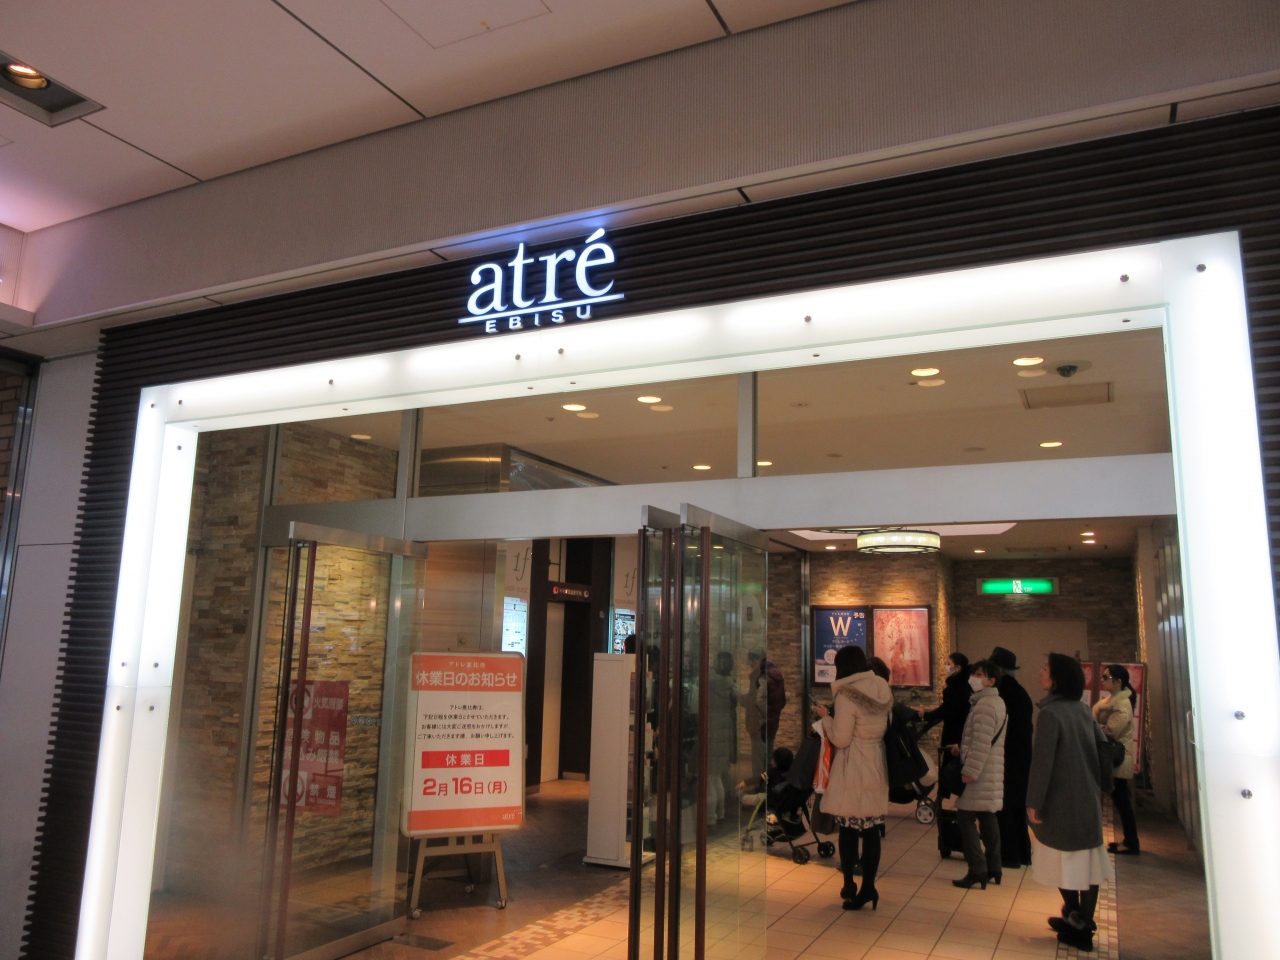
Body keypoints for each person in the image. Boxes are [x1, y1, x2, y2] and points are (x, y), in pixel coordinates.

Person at [1027, 654, 1114, 953]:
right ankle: (1080, 922)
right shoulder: (1082, 710)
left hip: (1061, 800)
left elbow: (1042, 764)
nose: (1040, 672)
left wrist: (1033, 801)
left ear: (1057, 679)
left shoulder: (1050, 714)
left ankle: (1079, 926)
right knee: (1087, 862)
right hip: (1086, 796)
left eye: (1045, 668)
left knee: (1062, 859)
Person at [814, 645, 892, 912]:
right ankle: (868, 887)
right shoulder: (881, 686)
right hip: (877, 761)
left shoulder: (847, 695)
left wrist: (826, 719)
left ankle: (849, 884)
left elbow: (841, 738)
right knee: (871, 830)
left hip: (854, 766)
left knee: (848, 828)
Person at [950, 660, 1008, 889]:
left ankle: (977, 869)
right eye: (974, 673)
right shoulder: (996, 702)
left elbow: (982, 743)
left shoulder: (984, 706)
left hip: (980, 771)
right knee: (987, 815)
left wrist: (970, 770)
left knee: (965, 816)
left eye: (980, 675)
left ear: (991, 681)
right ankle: (994, 867)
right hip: (991, 769)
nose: (974, 678)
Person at [989, 646, 1034, 868]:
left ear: (999, 670)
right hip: (1022, 757)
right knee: (1017, 807)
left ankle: (1009, 855)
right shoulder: (1021, 692)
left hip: (1006, 756)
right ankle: (1024, 853)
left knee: (1003, 806)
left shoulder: (1000, 694)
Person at [1094, 664, 1140, 855]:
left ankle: (1132, 842)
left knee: (1121, 800)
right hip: (1112, 755)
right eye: (1102, 676)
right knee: (1120, 799)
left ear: (1118, 682)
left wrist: (1095, 726)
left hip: (1117, 756)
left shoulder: (1121, 704)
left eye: (1106, 677)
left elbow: (1112, 731)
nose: (1102, 680)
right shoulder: (1111, 701)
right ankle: (1130, 840)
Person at [707, 651, 738, 824]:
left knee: (709, 778)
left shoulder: (710, 682)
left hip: (712, 729)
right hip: (725, 729)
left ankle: (710, 817)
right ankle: (721, 813)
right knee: (717, 776)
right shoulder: (731, 684)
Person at [918, 652, 972, 748]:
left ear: (957, 667)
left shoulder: (960, 686)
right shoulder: (957, 683)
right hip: (954, 726)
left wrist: (927, 715)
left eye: (948, 664)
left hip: (956, 728)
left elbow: (948, 709)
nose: (946, 667)